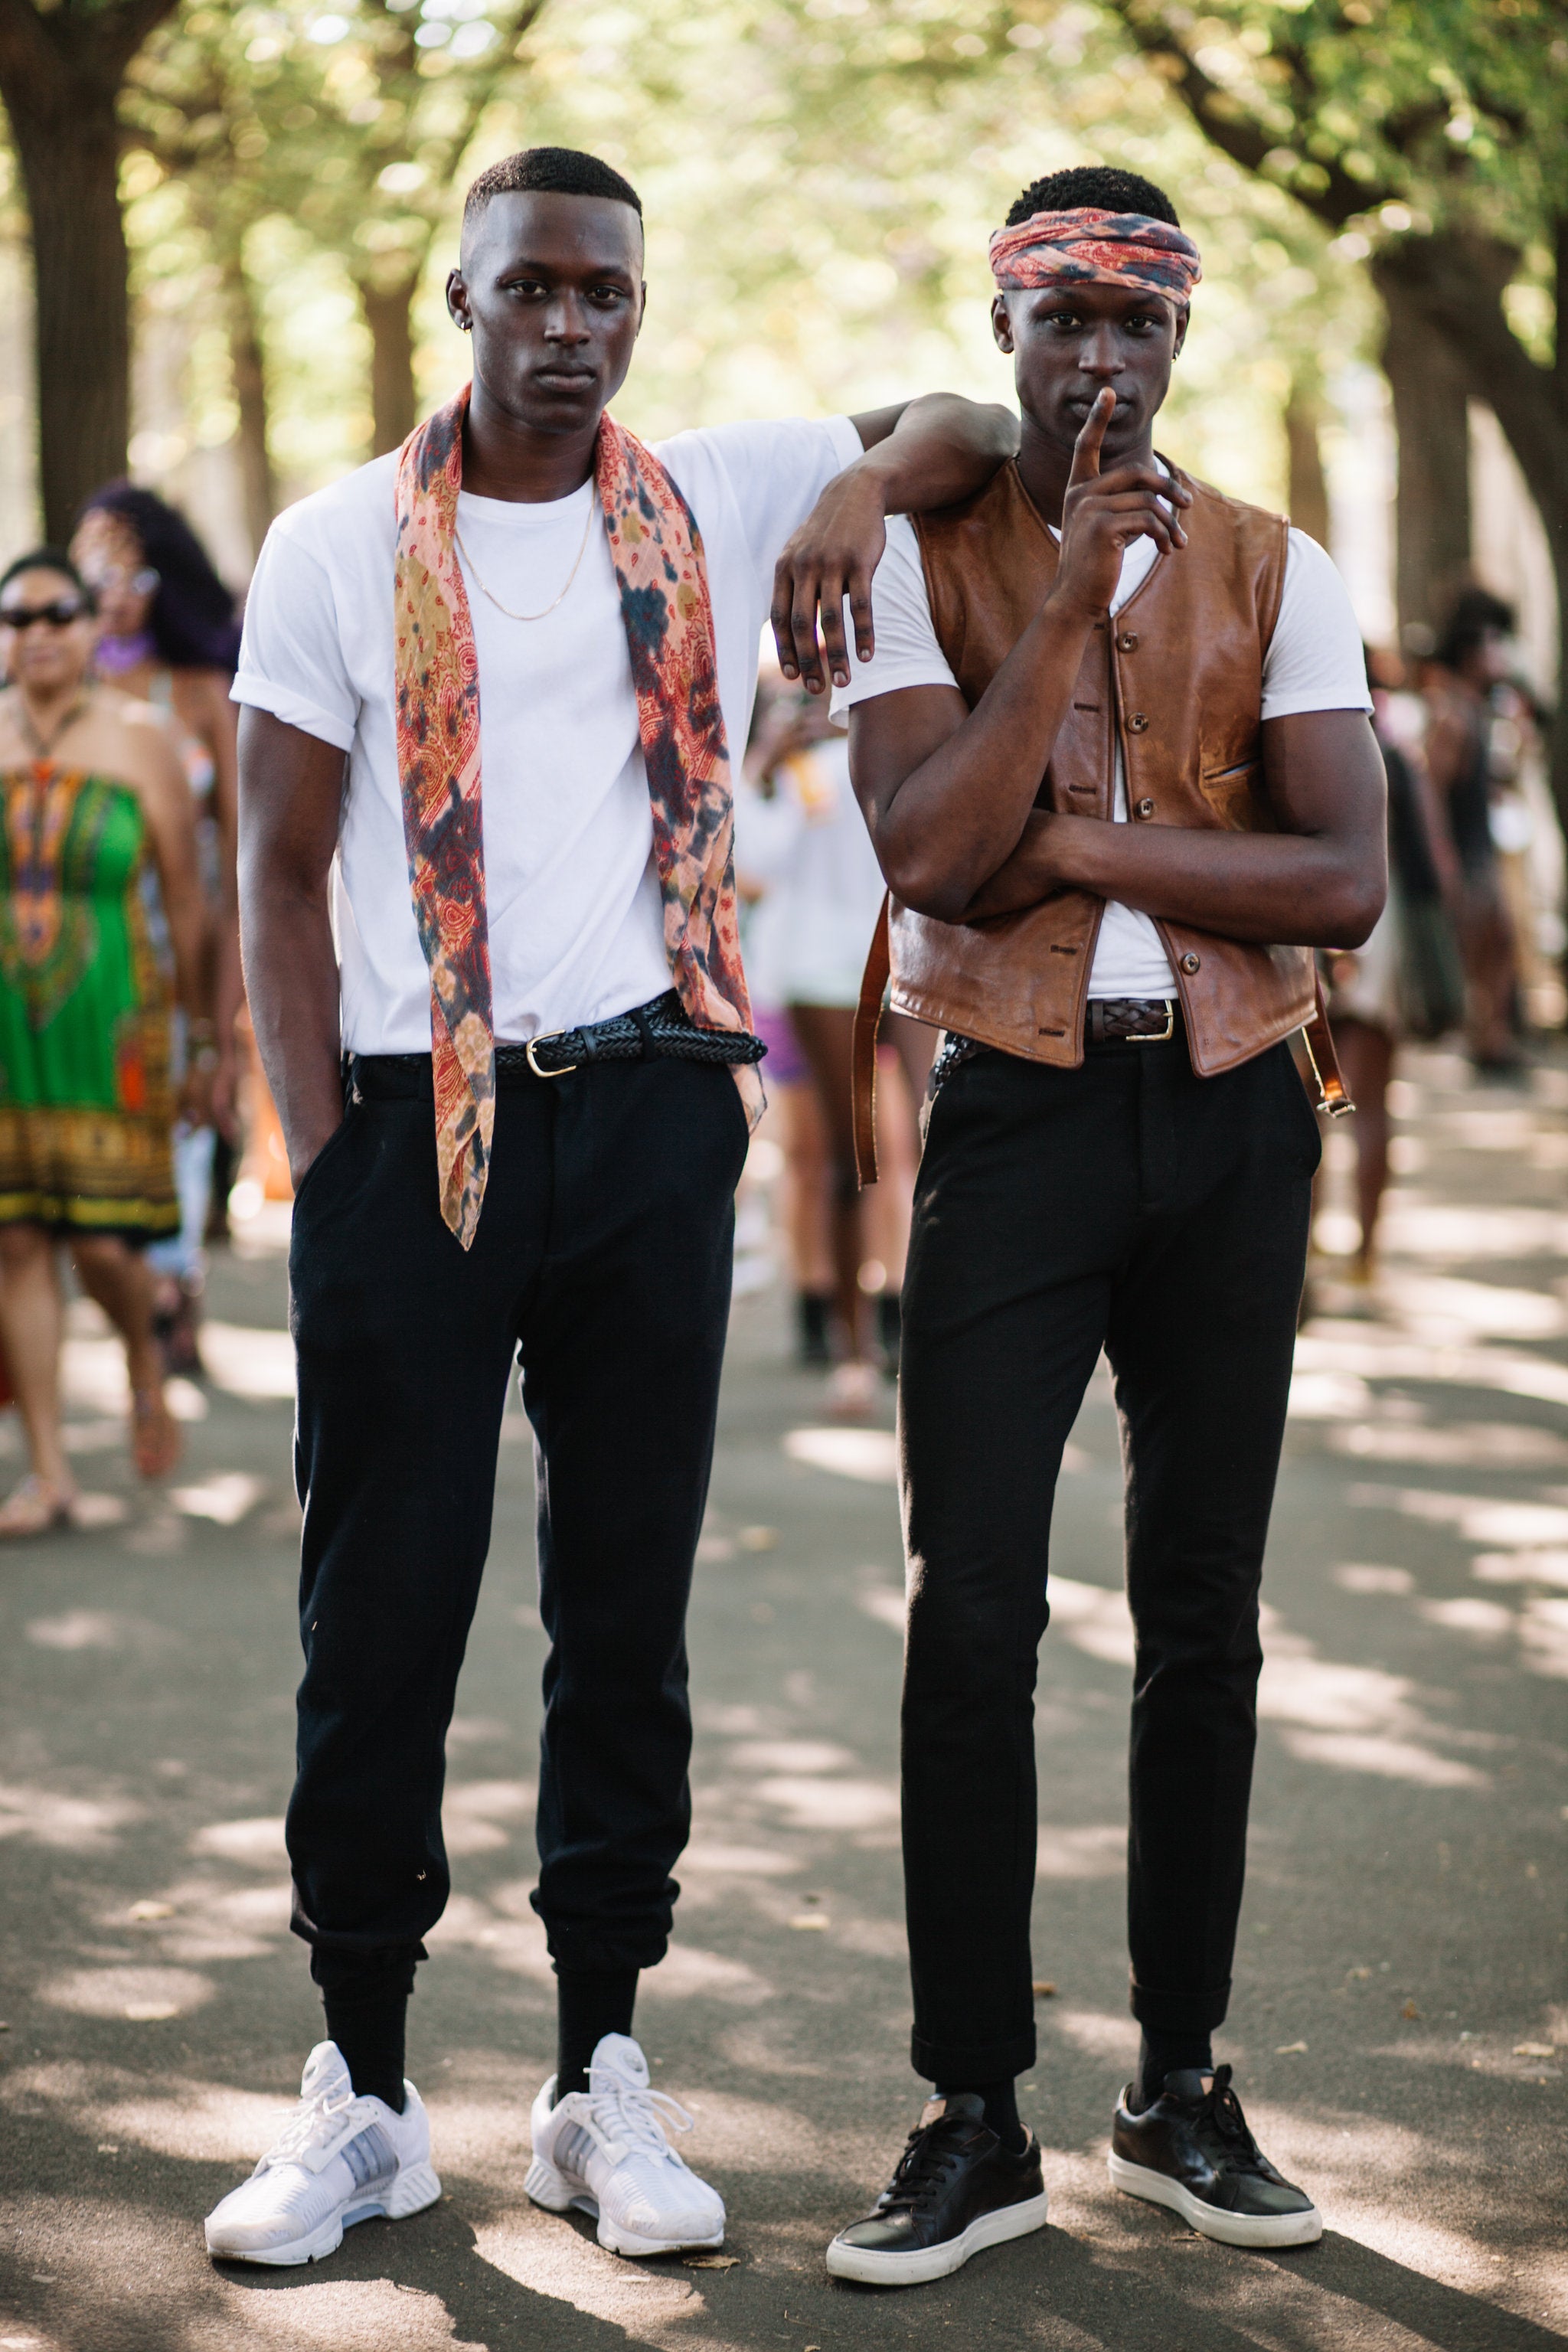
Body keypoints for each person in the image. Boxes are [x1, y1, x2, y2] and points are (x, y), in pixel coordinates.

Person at [202, 144, 1016, 2271]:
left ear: (638, 309)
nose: (571, 325)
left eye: (605, 294)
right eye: (532, 290)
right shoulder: (333, 545)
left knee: (623, 1613)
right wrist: (324, 1154)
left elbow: (981, 421)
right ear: (459, 303)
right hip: (414, 1130)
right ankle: (364, 2092)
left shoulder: (721, 493)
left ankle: (595, 2076)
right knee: (378, 1613)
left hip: (653, 1114)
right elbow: (272, 868)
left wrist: (857, 488)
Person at [810, 165, 1386, 2285]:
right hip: (1018, 1122)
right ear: (1006, 341)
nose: (1097, 361)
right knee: (970, 1614)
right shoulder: (916, 556)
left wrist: (1086, 840)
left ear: (1177, 344)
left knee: (1204, 1616)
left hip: (1237, 1111)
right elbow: (932, 866)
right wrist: (1056, 604)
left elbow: (1340, 886)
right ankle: (974, 2114)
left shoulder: (1274, 565)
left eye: (1133, 327)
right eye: (1058, 324)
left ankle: (1180, 2087)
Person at [0, 550, 205, 1529]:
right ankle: (50, 1473)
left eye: (58, 613)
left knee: (102, 1244)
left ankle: (137, 1348)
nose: (38, 632)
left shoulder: (140, 738)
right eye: (18, 617)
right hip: (6, 1032)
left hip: (115, 1020)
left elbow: (188, 901)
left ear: (89, 625)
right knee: (15, 1239)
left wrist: (211, 1040)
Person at [70, 485, 244, 1367]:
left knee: (179, 1113)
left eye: (134, 567)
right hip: (78, 954)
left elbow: (245, 859)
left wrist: (229, 1011)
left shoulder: (203, 689)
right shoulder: (55, 689)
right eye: (97, 563)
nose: (114, 586)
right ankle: (146, 1301)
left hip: (186, 949)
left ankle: (173, 1292)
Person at [735, 692, 933, 1411]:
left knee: (929, 1145)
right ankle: (855, 1349)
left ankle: (915, 1333)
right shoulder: (815, 766)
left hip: (908, 960)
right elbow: (758, 857)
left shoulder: (907, 746)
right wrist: (770, 764)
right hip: (831, 973)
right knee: (854, 1160)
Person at [1314, 649, 1462, 1294]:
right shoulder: (1395, 757)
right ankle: (1365, 1257)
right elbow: (1439, 862)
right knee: (1368, 1105)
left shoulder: (1300, 743)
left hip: (1311, 934)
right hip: (1380, 933)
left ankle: (1305, 1247)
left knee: (1319, 1103)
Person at [1423, 587, 1523, 1074]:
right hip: (1465, 851)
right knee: (1481, 946)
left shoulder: (1476, 709)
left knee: (1499, 944)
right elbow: (1432, 791)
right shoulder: (1452, 713)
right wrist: (1444, 859)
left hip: (1480, 847)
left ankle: (1491, 1040)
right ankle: (1481, 1041)